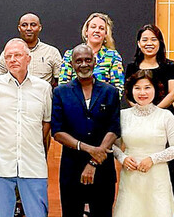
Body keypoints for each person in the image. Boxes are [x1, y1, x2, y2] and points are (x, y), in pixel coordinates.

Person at [0, 38, 52, 217]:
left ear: (28, 59)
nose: (13, 60)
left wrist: (32, 143)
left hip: (33, 164)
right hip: (0, 165)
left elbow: (46, 124)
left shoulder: (43, 88)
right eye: (9, 56)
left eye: (18, 55)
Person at [52, 44, 121, 217]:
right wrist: (89, 149)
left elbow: (114, 127)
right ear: (72, 64)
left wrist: (94, 161)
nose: (84, 64)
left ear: (95, 62)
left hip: (103, 168)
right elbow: (57, 131)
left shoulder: (110, 92)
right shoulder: (61, 92)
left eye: (88, 60)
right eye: (79, 61)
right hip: (71, 169)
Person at [113, 70, 174, 216]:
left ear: (156, 89)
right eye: (137, 88)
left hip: (157, 178)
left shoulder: (166, 116)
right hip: (130, 178)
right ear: (130, 90)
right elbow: (114, 146)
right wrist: (123, 158)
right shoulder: (123, 116)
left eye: (147, 87)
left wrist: (152, 159)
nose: (142, 92)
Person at [58, 12, 124, 98]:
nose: (97, 30)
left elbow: (118, 88)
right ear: (86, 31)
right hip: (74, 105)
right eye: (93, 27)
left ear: (105, 34)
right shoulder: (70, 54)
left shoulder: (113, 56)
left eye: (101, 28)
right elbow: (63, 85)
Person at [0, 13, 62, 87]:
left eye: (33, 25)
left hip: (42, 97)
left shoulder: (51, 52)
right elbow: (2, 81)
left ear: (40, 27)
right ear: (19, 28)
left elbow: (59, 83)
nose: (28, 28)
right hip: (14, 96)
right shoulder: (8, 53)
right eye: (24, 25)